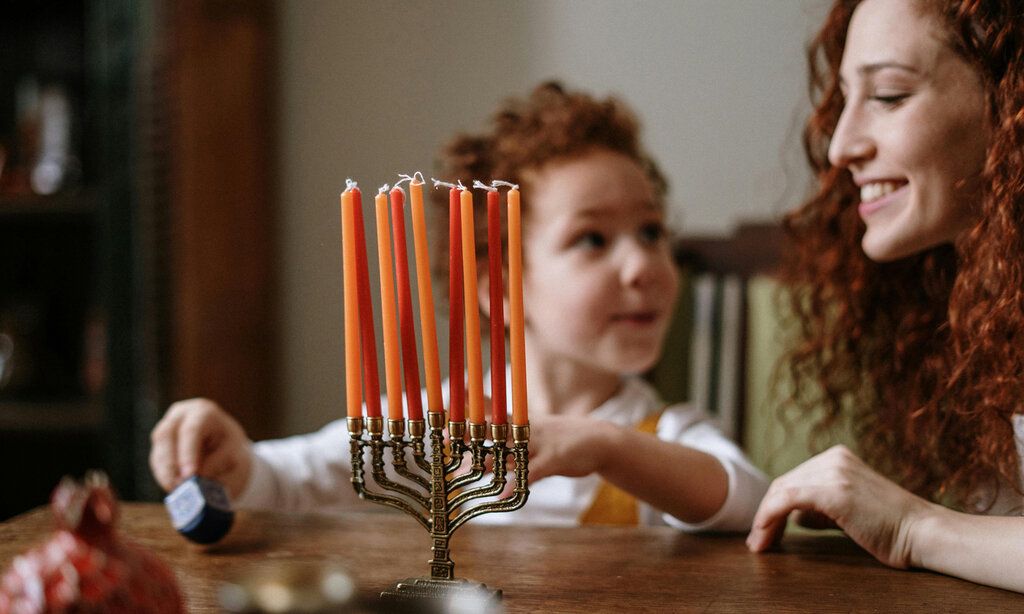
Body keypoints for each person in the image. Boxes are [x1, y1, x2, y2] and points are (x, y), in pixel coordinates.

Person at [149, 81, 768, 531]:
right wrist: (235, 462)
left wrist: (605, 446)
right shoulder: (437, 424)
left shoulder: (660, 438)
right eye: (593, 239)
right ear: (498, 287)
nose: (644, 266)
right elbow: (292, 479)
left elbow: (744, 500)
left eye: (652, 232)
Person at [745, 0, 1024, 593]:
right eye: (843, 99)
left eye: (889, 96)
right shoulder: (977, 299)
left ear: (1009, 100)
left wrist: (911, 527)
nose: (841, 146)